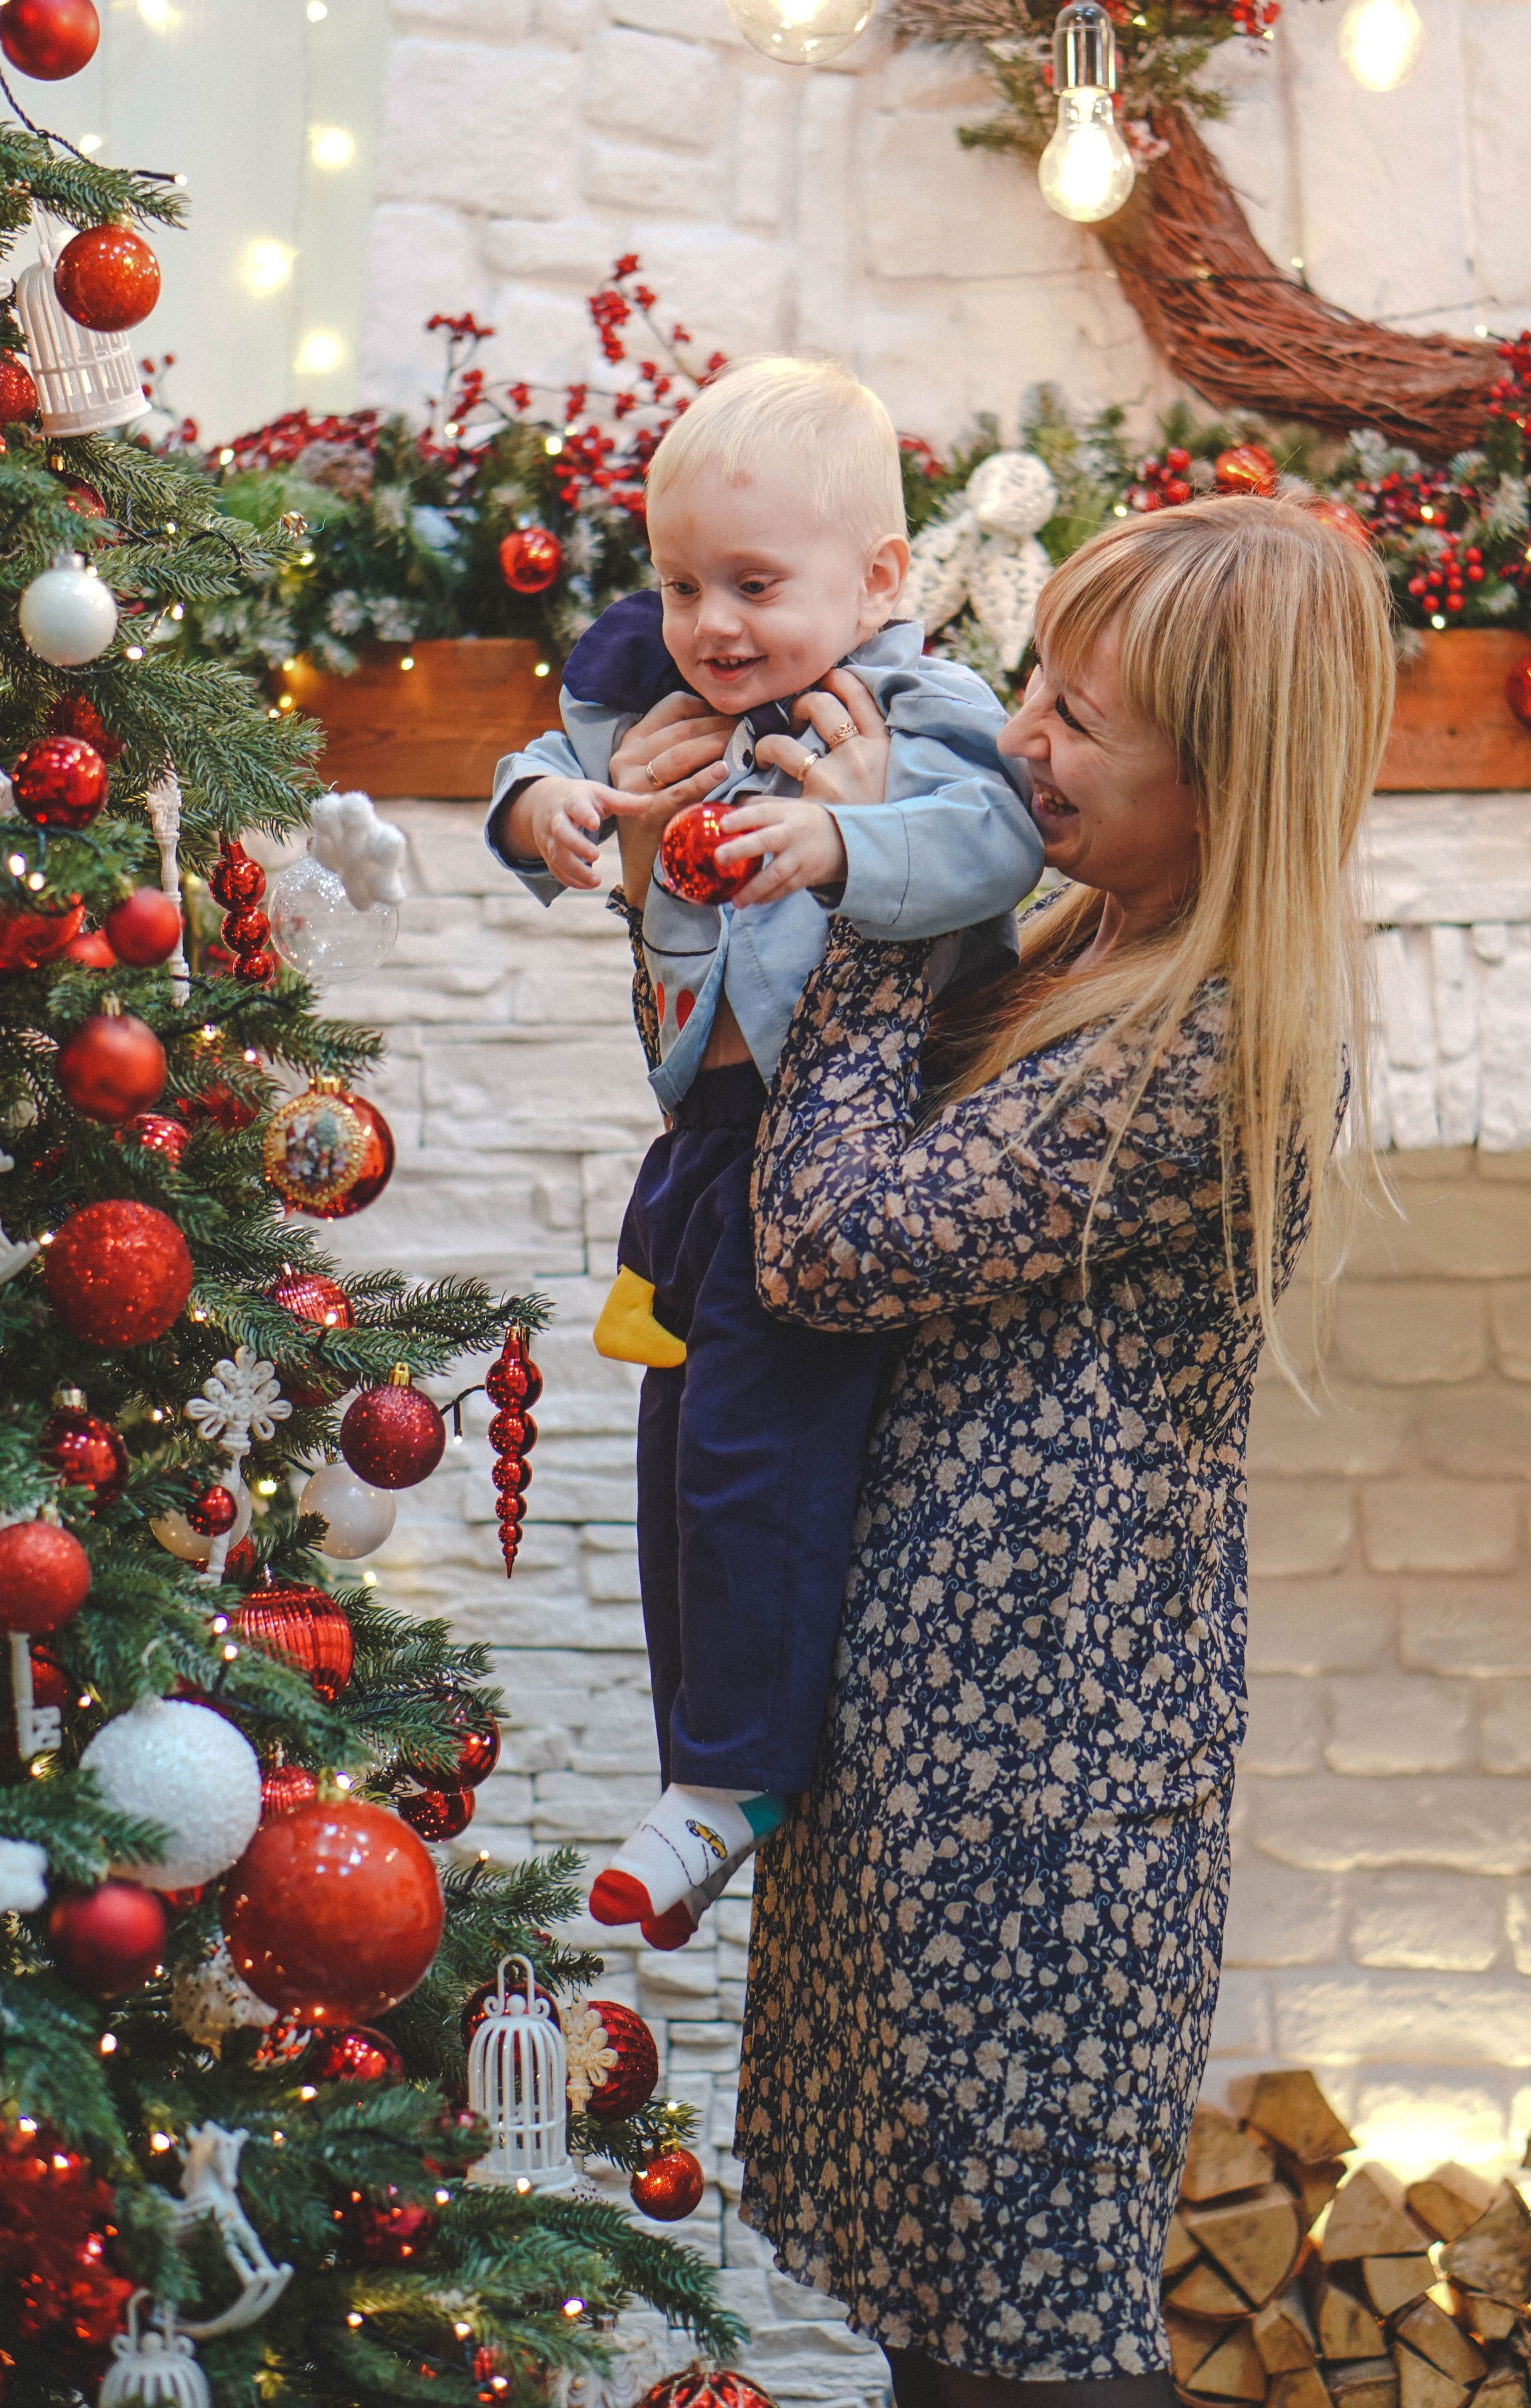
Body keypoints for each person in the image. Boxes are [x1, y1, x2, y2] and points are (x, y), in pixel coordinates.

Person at [737, 495, 1394, 2399]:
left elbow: (833, 1242)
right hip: (920, 1753)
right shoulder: (1060, 939)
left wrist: (870, 889)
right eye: (1038, 678)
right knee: (931, 2319)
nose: (1026, 734)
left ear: (1229, 787)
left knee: (1023, 2344)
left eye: (1087, 721)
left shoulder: (1222, 1037)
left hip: (1044, 1798)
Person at [485, 357, 1043, 1946]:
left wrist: (841, 838)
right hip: (706, 1149)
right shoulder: (662, 699)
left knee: (755, 1450)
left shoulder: (910, 710)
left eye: (753, 585)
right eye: (679, 585)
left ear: (877, 582)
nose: (711, 624)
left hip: (837, 1153)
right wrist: (554, 816)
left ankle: (734, 1776)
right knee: (675, 1460)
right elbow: (542, 759)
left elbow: (993, 838)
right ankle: (697, 1762)